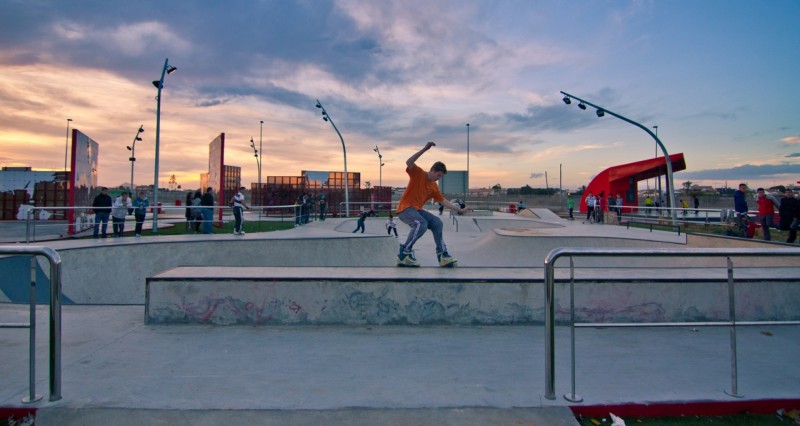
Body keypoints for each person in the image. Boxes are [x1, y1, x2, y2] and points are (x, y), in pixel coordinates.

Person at [395, 142, 471, 267]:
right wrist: (425, 149)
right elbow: (409, 162)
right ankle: (404, 253)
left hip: (417, 210)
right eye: (438, 175)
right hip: (405, 209)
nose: (438, 179)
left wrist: (460, 210)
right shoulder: (418, 173)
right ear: (433, 170)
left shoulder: (434, 187)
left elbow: (443, 201)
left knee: (437, 223)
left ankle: (442, 255)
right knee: (421, 223)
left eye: (441, 177)